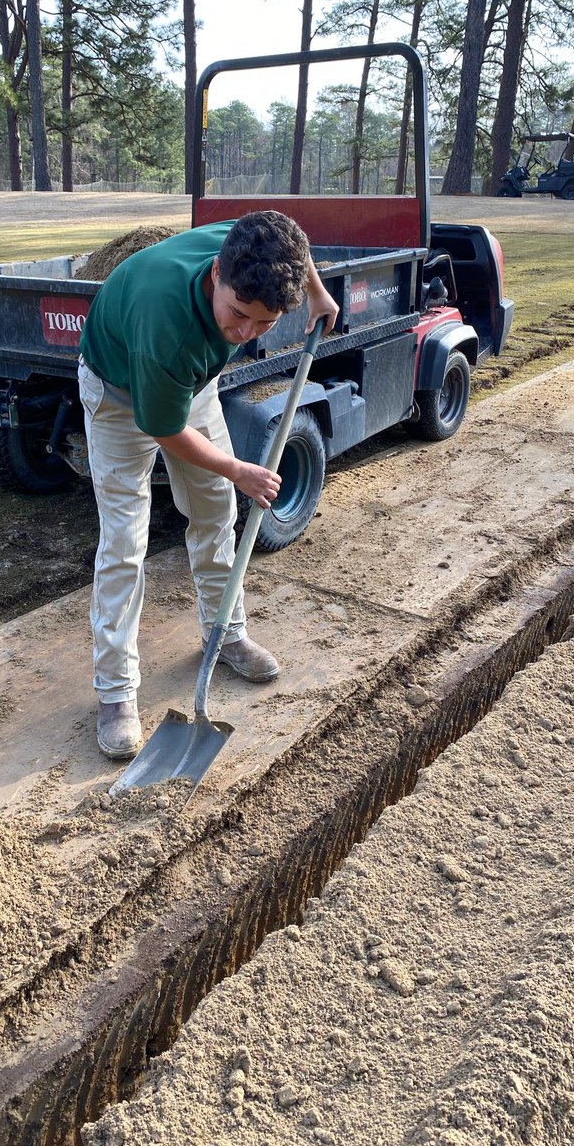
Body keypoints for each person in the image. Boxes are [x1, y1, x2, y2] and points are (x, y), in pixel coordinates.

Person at [77, 210, 339, 760]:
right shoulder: (164, 323)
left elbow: (297, 237)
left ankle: (225, 635)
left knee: (216, 513)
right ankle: (116, 693)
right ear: (216, 274)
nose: (245, 333)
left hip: (190, 384)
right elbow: (160, 426)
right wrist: (237, 468)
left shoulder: (257, 248)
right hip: (122, 393)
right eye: (239, 315)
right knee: (126, 542)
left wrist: (317, 294)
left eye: (264, 324)